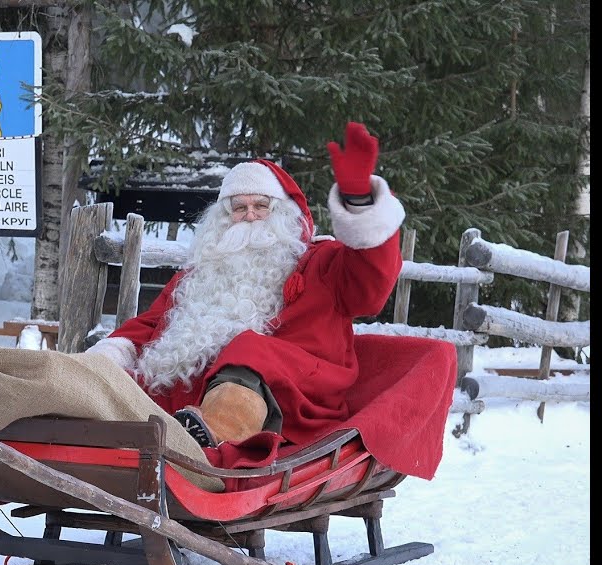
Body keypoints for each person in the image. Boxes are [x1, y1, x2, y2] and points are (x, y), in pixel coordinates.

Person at [86, 121, 407, 451]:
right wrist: (105, 359)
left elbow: (370, 285)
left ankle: (208, 433)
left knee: (247, 347)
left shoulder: (321, 261)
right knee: (131, 376)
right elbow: (152, 325)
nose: (250, 216)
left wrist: (360, 202)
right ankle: (73, 414)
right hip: (191, 397)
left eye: (261, 205)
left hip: (294, 397)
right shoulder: (202, 273)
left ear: (283, 212)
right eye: (239, 208)